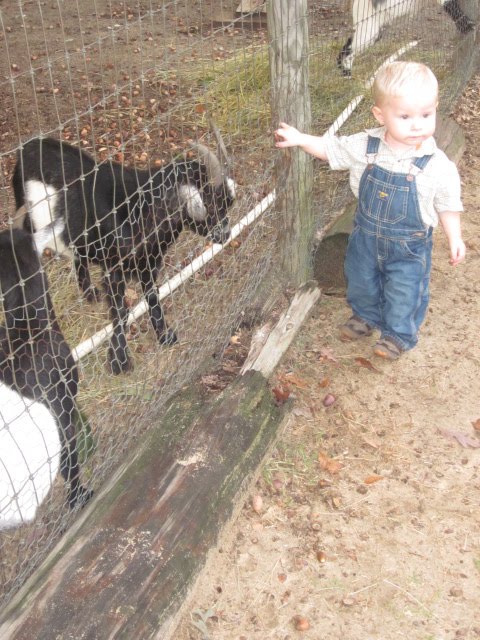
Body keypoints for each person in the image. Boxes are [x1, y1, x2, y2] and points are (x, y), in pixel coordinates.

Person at [274, 61, 465, 360]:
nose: (417, 125)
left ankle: (397, 335)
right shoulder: (366, 146)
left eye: (426, 115)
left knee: (405, 290)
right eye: (405, 116)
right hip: (365, 237)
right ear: (380, 115)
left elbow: (448, 203)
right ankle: (365, 316)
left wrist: (455, 237)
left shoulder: (438, 165)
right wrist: (300, 139)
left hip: (409, 246)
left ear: (435, 109)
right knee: (361, 279)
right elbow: (331, 149)